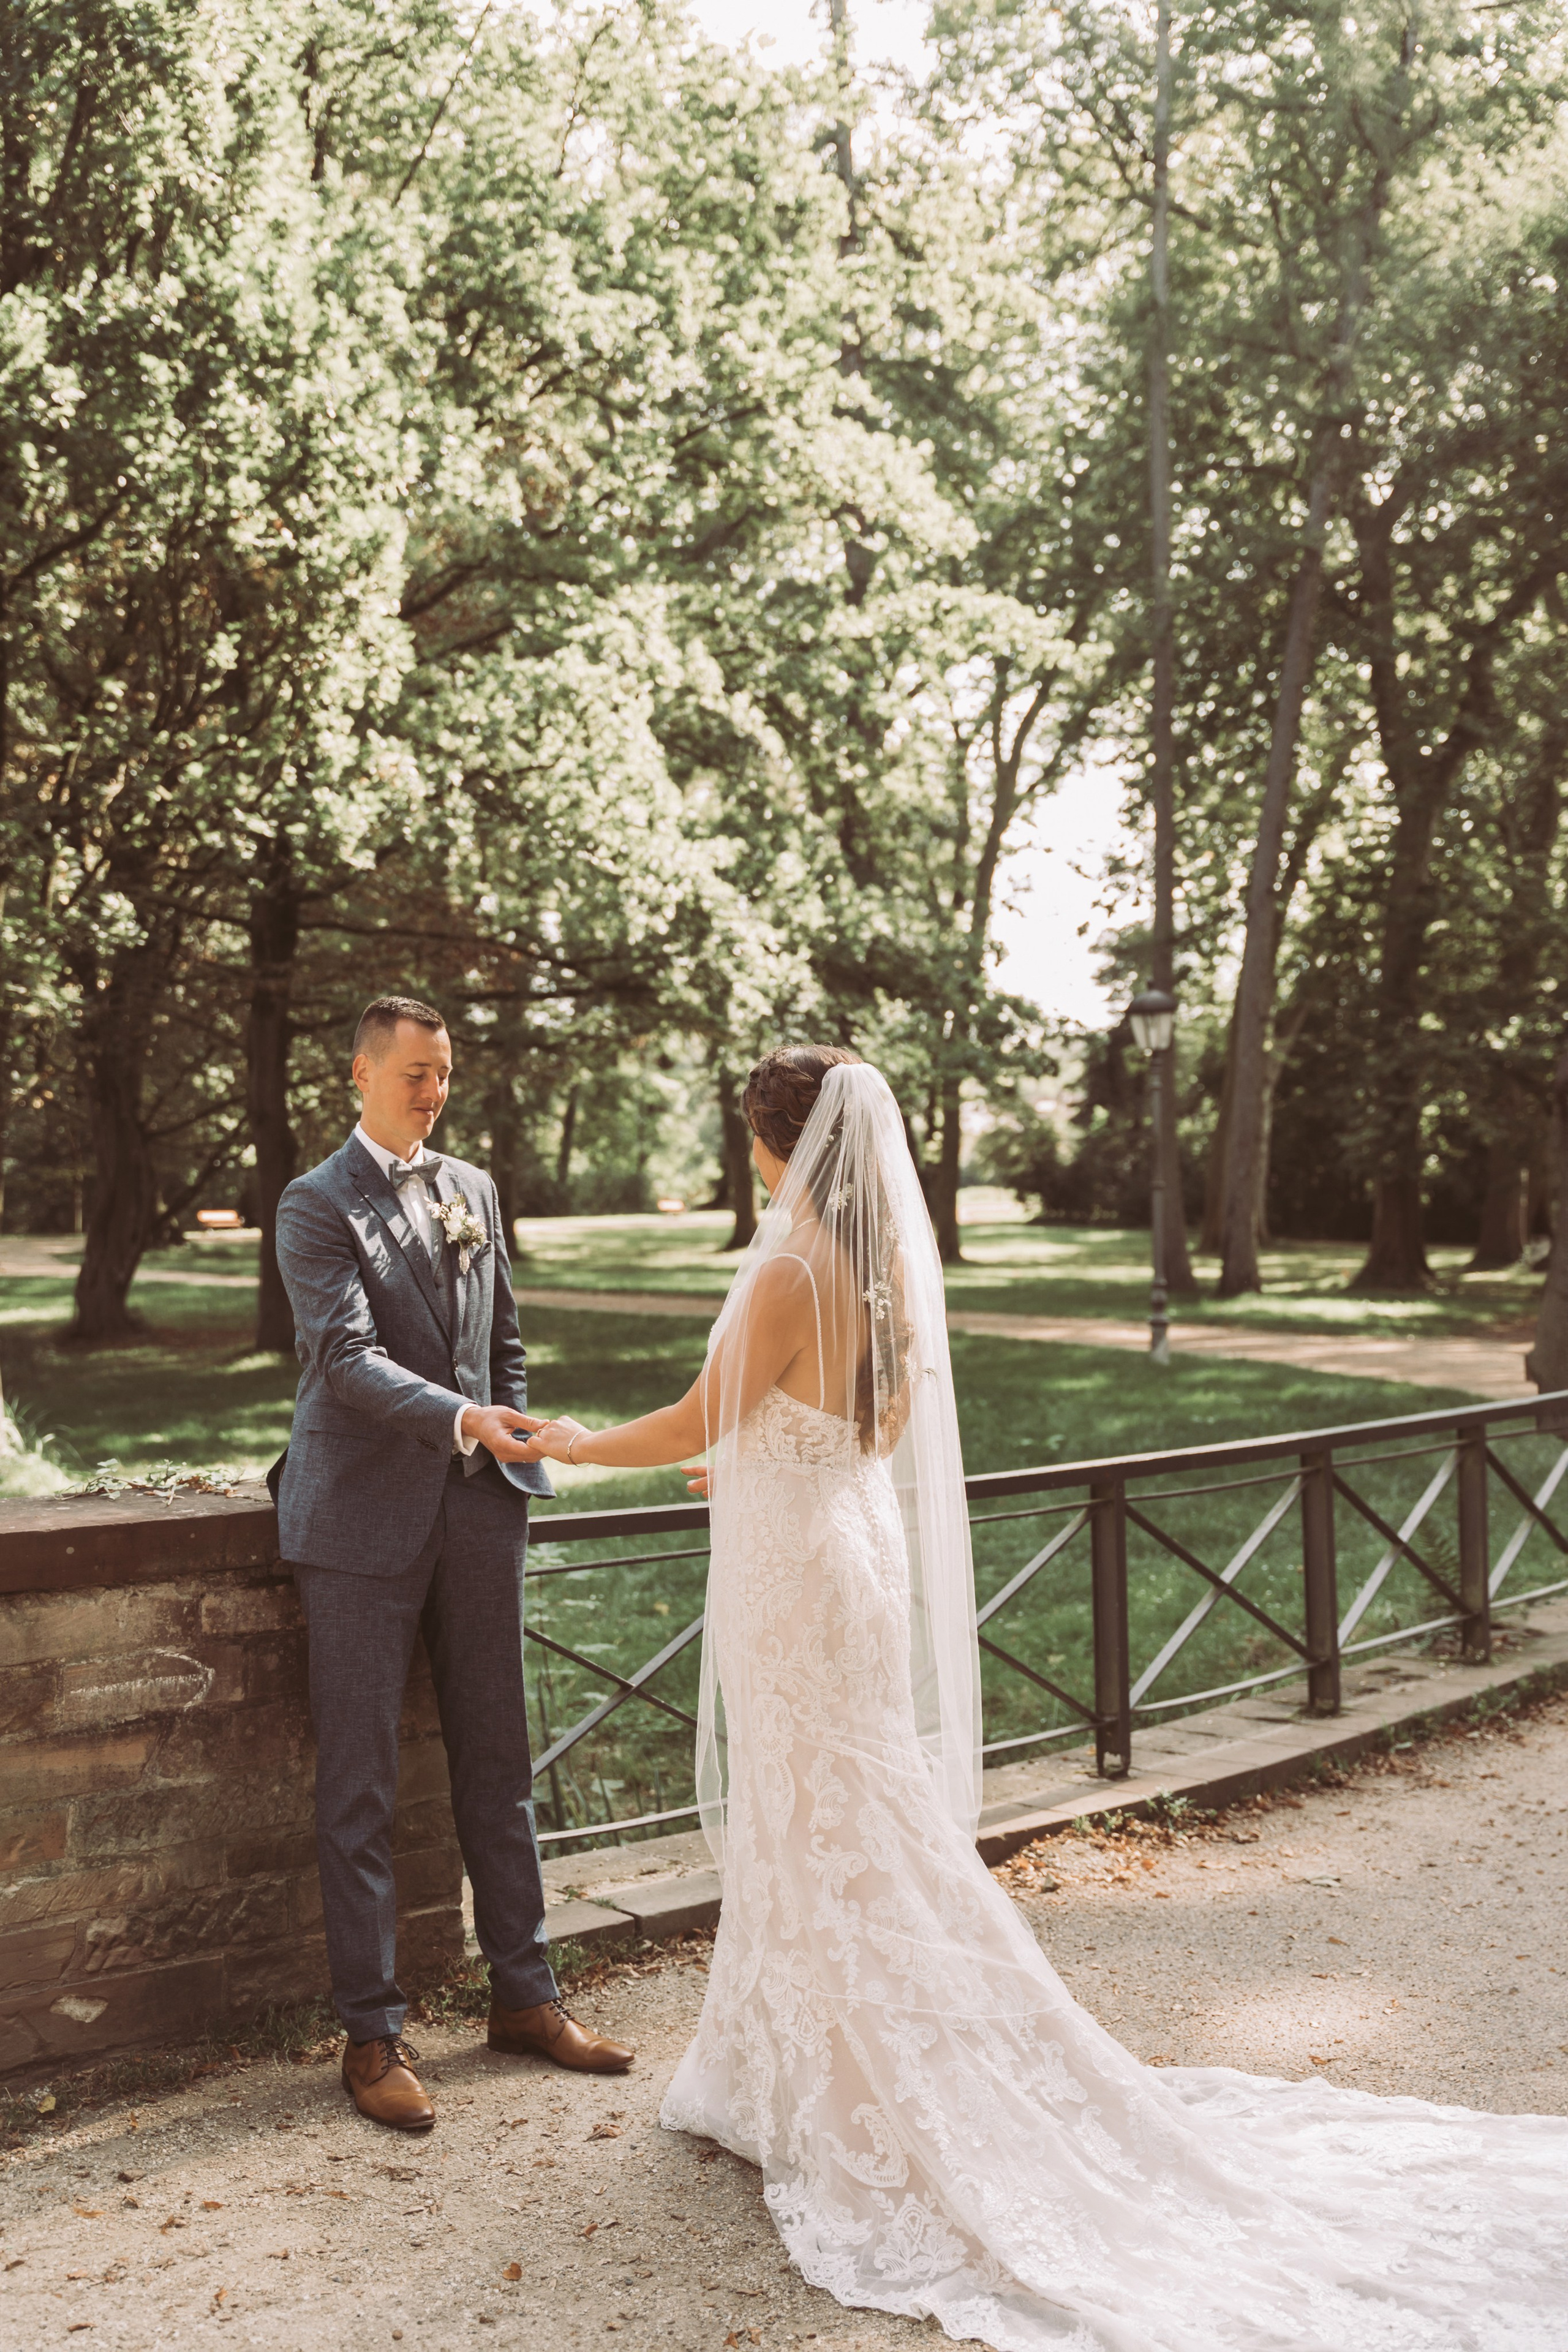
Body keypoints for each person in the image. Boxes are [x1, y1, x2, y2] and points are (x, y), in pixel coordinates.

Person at [522, 1044, 1568, 2352]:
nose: (748, 1153)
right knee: (846, 1799)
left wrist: (573, 1443)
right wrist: (769, 1453)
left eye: (749, 1134)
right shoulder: (877, 1264)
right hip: (848, 1542)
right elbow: (876, 1429)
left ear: (769, 1138)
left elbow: (690, 1416)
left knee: (814, 1809)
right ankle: (778, 2071)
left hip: (797, 1572)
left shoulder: (789, 1265)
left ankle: (856, 2088)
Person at [270, 993, 633, 2132]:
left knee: (499, 1763)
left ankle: (525, 1998)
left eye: (443, 1074)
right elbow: (345, 1359)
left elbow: (504, 1340)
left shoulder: (472, 1190)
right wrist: (471, 1419)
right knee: (362, 1785)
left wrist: (508, 1424)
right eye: (415, 1073)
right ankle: (371, 2034)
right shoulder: (313, 1203)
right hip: (360, 1527)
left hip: (481, 1516)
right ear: (363, 1076)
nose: (433, 1092)